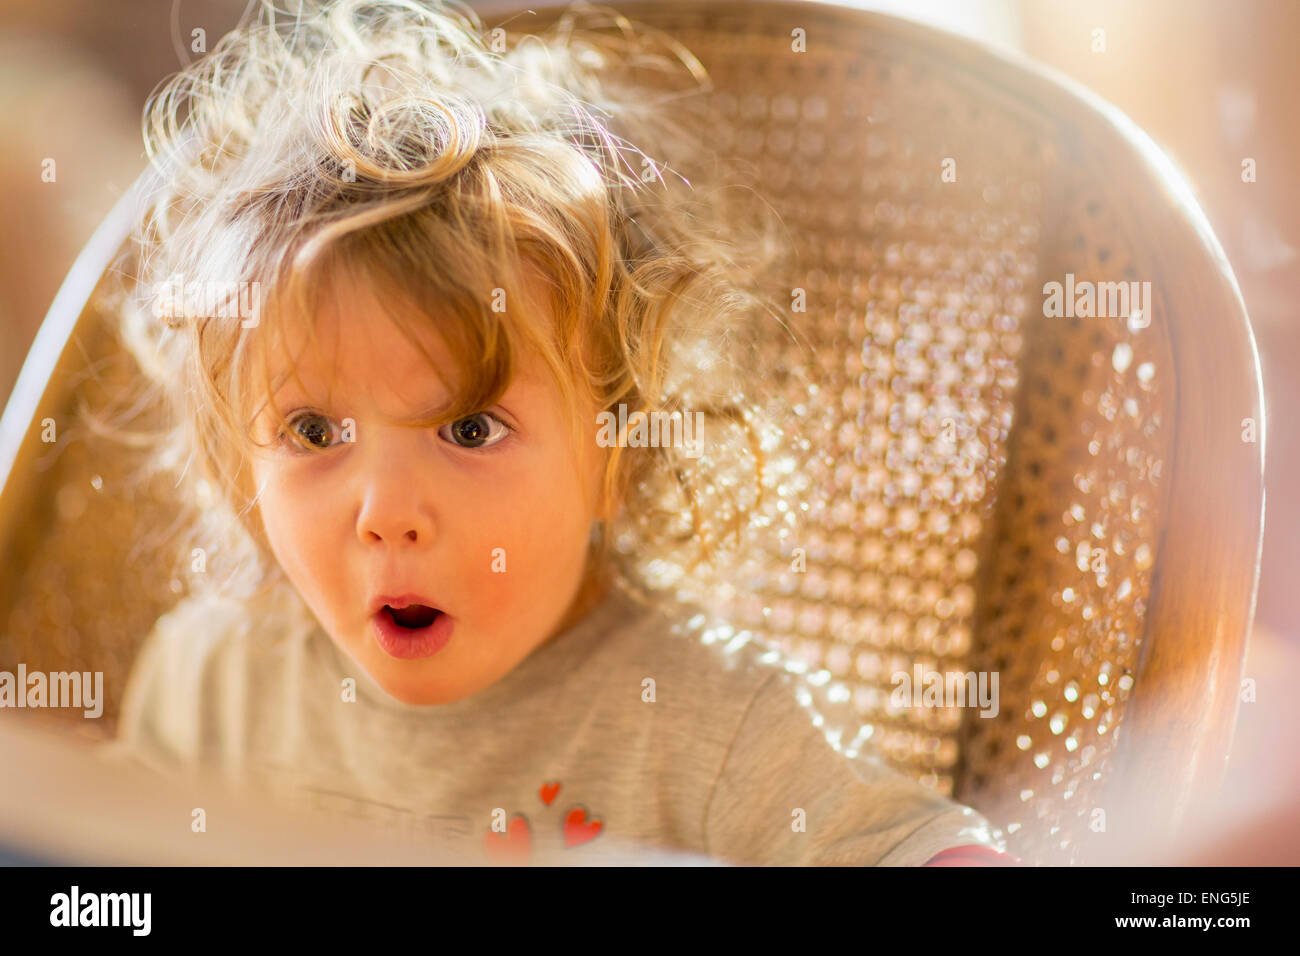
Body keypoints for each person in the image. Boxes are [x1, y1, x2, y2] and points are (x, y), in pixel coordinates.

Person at [98, 0, 1019, 866]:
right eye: (310, 429)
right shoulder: (211, 682)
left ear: (619, 451)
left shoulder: (717, 730)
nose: (387, 514)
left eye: (467, 427)